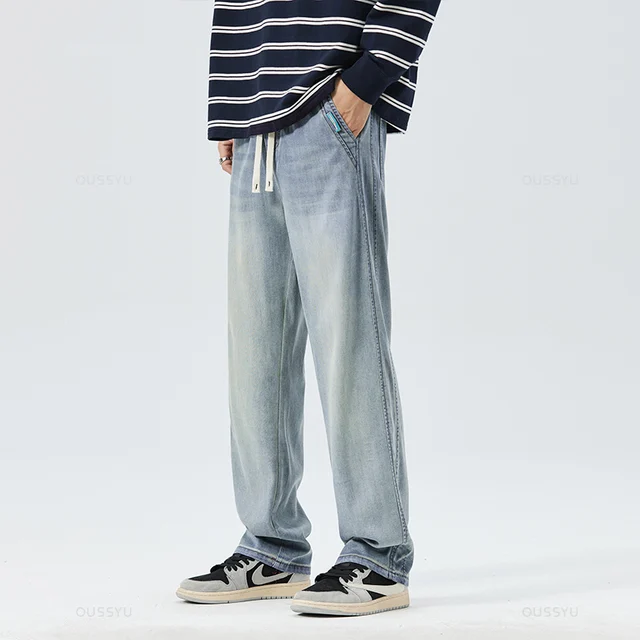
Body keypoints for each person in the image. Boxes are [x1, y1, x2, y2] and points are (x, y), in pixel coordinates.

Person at [176, 0, 441, 617]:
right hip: (255, 119)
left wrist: (366, 81)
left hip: (331, 101)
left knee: (348, 336)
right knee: (255, 345)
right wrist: (230, 107)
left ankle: (378, 554)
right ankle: (271, 546)